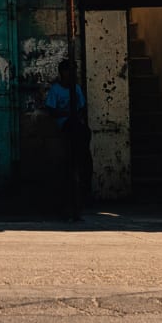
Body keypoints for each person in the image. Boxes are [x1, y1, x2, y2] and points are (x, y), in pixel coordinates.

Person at [44, 59, 92, 212]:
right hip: (65, 123)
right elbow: (51, 110)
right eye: (68, 71)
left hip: (76, 123)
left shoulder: (76, 88)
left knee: (83, 132)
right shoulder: (56, 90)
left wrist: (77, 115)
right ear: (62, 73)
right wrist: (67, 113)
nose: (71, 75)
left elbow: (82, 107)